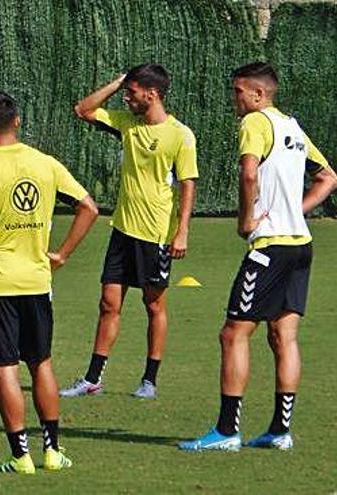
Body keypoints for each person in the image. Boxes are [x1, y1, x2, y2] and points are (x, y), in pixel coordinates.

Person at [179, 62, 337, 452]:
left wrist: (246, 219)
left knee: (234, 333)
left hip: (270, 247)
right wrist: (298, 211)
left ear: (258, 94)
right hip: (301, 245)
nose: (234, 98)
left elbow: (249, 174)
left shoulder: (254, 122)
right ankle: (280, 430)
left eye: (237, 91)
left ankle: (226, 431)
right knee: (284, 336)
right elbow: (329, 176)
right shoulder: (293, 127)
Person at [0, 91, 98, 473]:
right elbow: (89, 206)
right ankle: (52, 451)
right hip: (37, 281)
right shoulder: (45, 163)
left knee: (5, 368)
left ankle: (20, 457)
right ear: (17, 120)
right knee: (41, 363)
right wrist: (62, 253)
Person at [60, 64, 198, 399]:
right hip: (122, 231)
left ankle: (149, 379)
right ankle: (93, 378)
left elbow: (188, 184)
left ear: (152, 94)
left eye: (132, 91)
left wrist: (181, 232)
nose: (127, 97)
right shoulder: (128, 125)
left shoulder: (181, 135)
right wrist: (120, 80)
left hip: (156, 237)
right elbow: (84, 109)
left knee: (154, 306)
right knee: (108, 303)